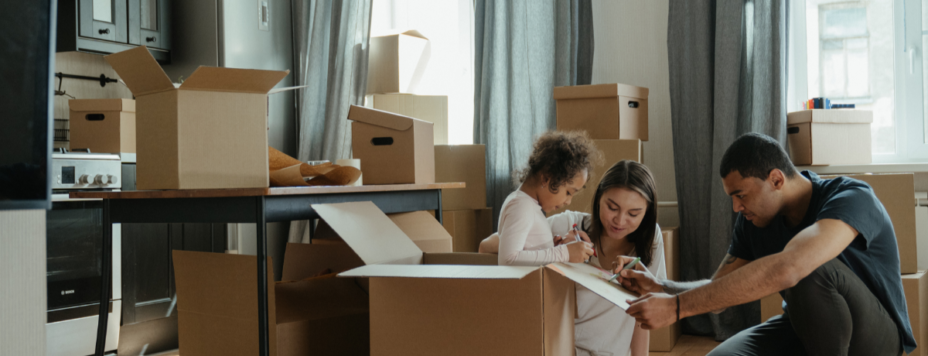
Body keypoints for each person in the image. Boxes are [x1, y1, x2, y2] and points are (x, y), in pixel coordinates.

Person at [616, 133, 914, 356]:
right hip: (802, 329)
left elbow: (792, 267)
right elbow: (718, 289)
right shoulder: (754, 221)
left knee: (808, 268)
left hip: (876, 340)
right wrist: (662, 288)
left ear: (776, 180)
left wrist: (677, 308)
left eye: (741, 195)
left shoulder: (851, 198)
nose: (735, 207)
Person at [481, 160, 666, 356]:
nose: (619, 221)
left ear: (646, 214)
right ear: (599, 199)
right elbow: (487, 246)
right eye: (612, 207)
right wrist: (553, 246)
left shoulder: (650, 239)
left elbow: (644, 311)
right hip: (561, 349)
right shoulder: (569, 224)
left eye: (633, 214)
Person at [494, 130, 598, 266]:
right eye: (568, 192)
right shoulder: (521, 206)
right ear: (547, 177)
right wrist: (564, 252)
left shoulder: (529, 205)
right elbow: (508, 259)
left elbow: (528, 254)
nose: (568, 201)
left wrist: (550, 249)